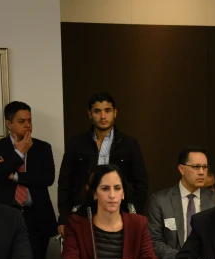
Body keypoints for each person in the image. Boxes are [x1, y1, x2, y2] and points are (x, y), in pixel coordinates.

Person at [57, 92, 148, 236]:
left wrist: (135, 213)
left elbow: (141, 182)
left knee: (118, 255)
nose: (103, 116)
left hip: (120, 212)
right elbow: (65, 182)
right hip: (83, 211)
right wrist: (63, 217)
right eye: (97, 111)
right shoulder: (76, 143)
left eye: (107, 111)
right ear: (89, 114)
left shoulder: (129, 144)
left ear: (115, 112)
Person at [0, 101, 57, 259]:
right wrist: (19, 154)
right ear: (9, 124)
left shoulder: (43, 147)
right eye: (21, 121)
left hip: (37, 215)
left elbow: (47, 179)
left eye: (29, 120)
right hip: (6, 214)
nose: (27, 125)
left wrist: (14, 176)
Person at [61, 164, 159, 259]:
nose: (112, 195)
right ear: (94, 193)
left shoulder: (138, 223)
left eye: (117, 188)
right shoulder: (76, 224)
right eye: (105, 189)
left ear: (123, 193)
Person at [146, 147, 215, 259]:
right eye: (196, 167)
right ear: (181, 169)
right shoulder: (160, 200)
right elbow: (154, 242)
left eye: (205, 167)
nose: (201, 172)